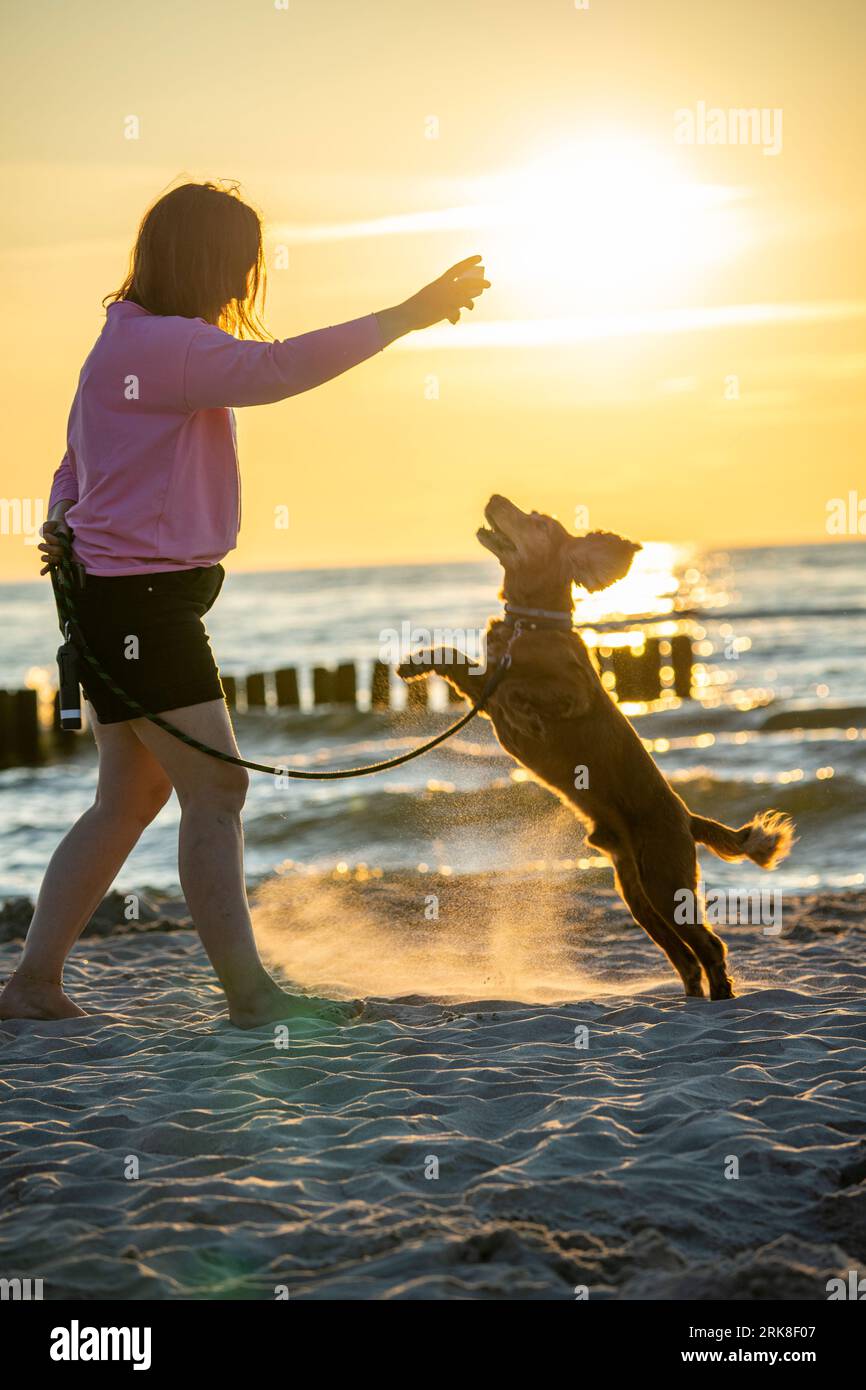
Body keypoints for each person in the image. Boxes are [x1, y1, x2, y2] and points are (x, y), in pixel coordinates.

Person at [0, 180, 489, 1028]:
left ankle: (34, 985)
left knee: (130, 798)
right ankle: (249, 996)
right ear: (202, 262)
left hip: (119, 602)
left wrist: (60, 525)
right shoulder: (165, 345)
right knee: (218, 789)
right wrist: (406, 314)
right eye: (237, 266)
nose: (243, 285)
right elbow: (278, 369)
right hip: (141, 608)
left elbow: (71, 463)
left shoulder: (124, 341)